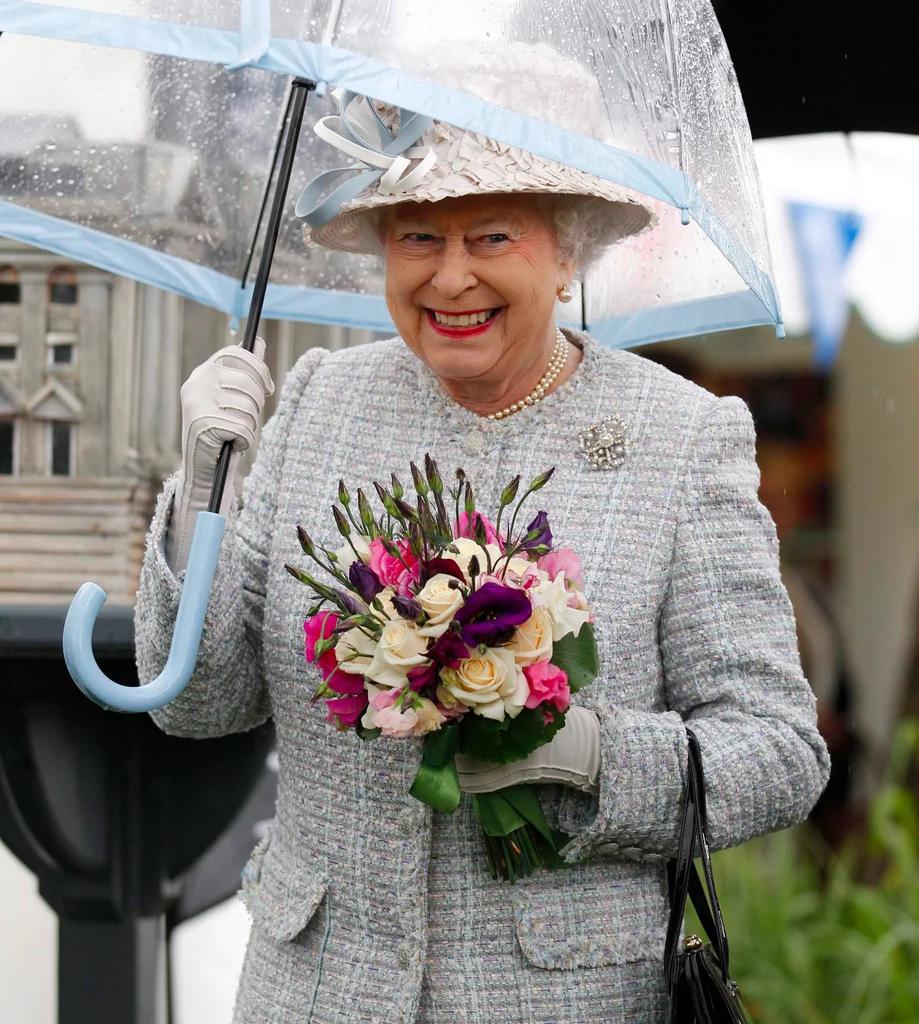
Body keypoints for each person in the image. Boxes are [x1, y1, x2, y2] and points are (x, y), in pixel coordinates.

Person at [135, 89, 830, 1024]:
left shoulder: (679, 438)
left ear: (567, 247)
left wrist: (589, 755)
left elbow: (779, 753)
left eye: (492, 237)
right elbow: (195, 702)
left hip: (566, 997)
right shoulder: (316, 401)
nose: (450, 278)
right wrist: (201, 485)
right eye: (418, 237)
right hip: (315, 995)